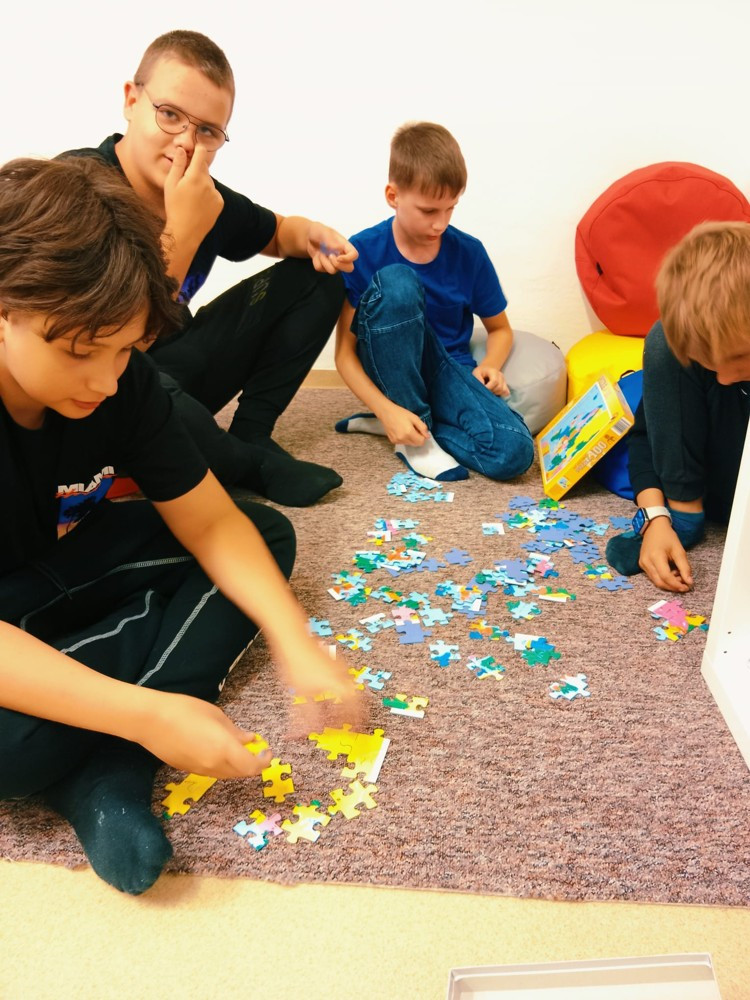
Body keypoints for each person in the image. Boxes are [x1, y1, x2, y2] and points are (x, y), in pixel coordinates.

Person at [0, 156, 361, 896]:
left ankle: (112, 759)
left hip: (58, 568)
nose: (105, 380)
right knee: (10, 754)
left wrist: (293, 639)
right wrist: (146, 714)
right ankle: (125, 734)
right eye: (79, 352)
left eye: (126, 350)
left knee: (263, 537)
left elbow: (214, 523)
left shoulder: (122, 383)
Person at [63, 30, 358, 508]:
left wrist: (314, 235)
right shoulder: (75, 189)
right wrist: (183, 229)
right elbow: (97, 349)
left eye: (207, 131)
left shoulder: (204, 194)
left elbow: (278, 231)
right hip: (104, 384)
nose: (185, 142)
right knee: (143, 379)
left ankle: (252, 432)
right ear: (131, 101)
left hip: (180, 363)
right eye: (170, 114)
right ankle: (244, 464)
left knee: (316, 276)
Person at [333, 121, 533, 483]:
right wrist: (385, 407)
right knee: (397, 282)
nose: (440, 223)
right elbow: (344, 355)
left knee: (515, 451)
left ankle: (406, 425)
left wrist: (491, 365)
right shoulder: (361, 250)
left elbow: (500, 329)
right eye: (428, 211)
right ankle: (413, 437)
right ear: (393, 196)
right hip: (388, 372)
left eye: (450, 209)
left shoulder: (469, 253)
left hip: (447, 368)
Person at [606, 221, 750, 592]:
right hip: (701, 488)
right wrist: (656, 518)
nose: (724, 377)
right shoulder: (691, 354)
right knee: (664, 343)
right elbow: (646, 438)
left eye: (740, 358)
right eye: (710, 363)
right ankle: (685, 513)